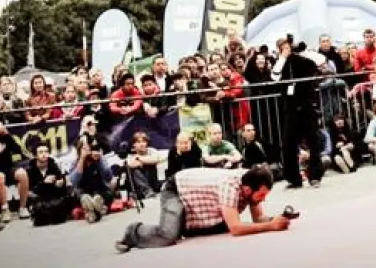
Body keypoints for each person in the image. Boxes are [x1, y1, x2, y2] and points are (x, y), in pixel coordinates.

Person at [113, 166, 289, 252]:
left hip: (196, 199)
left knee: (218, 226)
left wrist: (278, 219)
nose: (263, 199)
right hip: (176, 189)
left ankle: (184, 224)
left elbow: (259, 219)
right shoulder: (230, 187)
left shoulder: (251, 181)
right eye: (261, 195)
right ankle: (133, 232)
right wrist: (271, 226)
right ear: (249, 189)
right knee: (168, 235)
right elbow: (236, 228)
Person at [271, 36, 327, 188]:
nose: (288, 50)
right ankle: (293, 178)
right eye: (283, 47)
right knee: (289, 143)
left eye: (288, 47)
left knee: (313, 142)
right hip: (290, 109)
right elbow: (274, 76)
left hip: (307, 106)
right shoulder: (280, 63)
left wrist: (301, 51)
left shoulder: (304, 59)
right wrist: (283, 56)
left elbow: (321, 60)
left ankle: (315, 175)